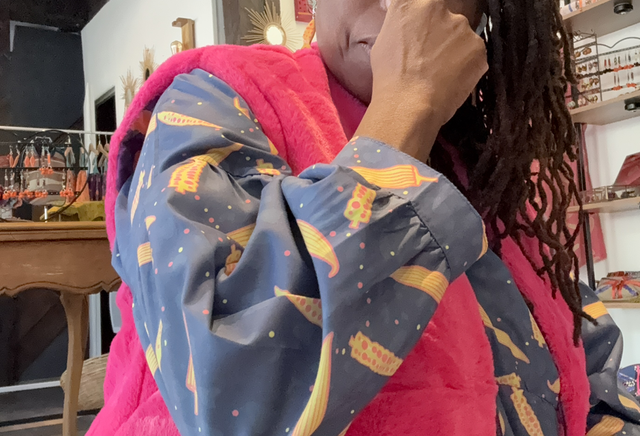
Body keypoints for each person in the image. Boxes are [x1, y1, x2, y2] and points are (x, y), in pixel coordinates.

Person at [89, 0, 640, 435]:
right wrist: (406, 108)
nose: (401, 6)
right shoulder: (210, 100)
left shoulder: (487, 163)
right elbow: (234, 395)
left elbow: (585, 365)